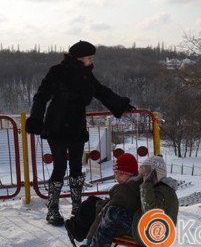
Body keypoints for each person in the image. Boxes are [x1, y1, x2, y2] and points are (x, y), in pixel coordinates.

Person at [25, 40, 135, 226]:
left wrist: (121, 105)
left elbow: (101, 91)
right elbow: (41, 95)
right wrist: (36, 119)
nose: (92, 61)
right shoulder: (57, 71)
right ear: (78, 58)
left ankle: (77, 208)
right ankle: (53, 210)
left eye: (92, 57)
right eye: (89, 58)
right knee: (59, 167)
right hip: (57, 126)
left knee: (76, 167)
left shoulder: (86, 75)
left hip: (76, 126)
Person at [79, 155, 179, 247]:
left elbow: (151, 213)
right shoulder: (162, 188)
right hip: (154, 233)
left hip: (151, 236)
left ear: (155, 175)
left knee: (112, 213)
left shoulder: (162, 191)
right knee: (115, 214)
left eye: (146, 175)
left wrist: (147, 185)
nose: (143, 178)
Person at [65, 153, 142, 247]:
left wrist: (88, 240)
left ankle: (77, 232)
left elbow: (104, 212)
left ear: (131, 174)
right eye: (116, 173)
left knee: (88, 206)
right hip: (123, 216)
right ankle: (75, 222)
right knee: (92, 200)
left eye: (121, 174)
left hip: (113, 222)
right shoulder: (137, 183)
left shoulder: (124, 190)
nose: (117, 177)